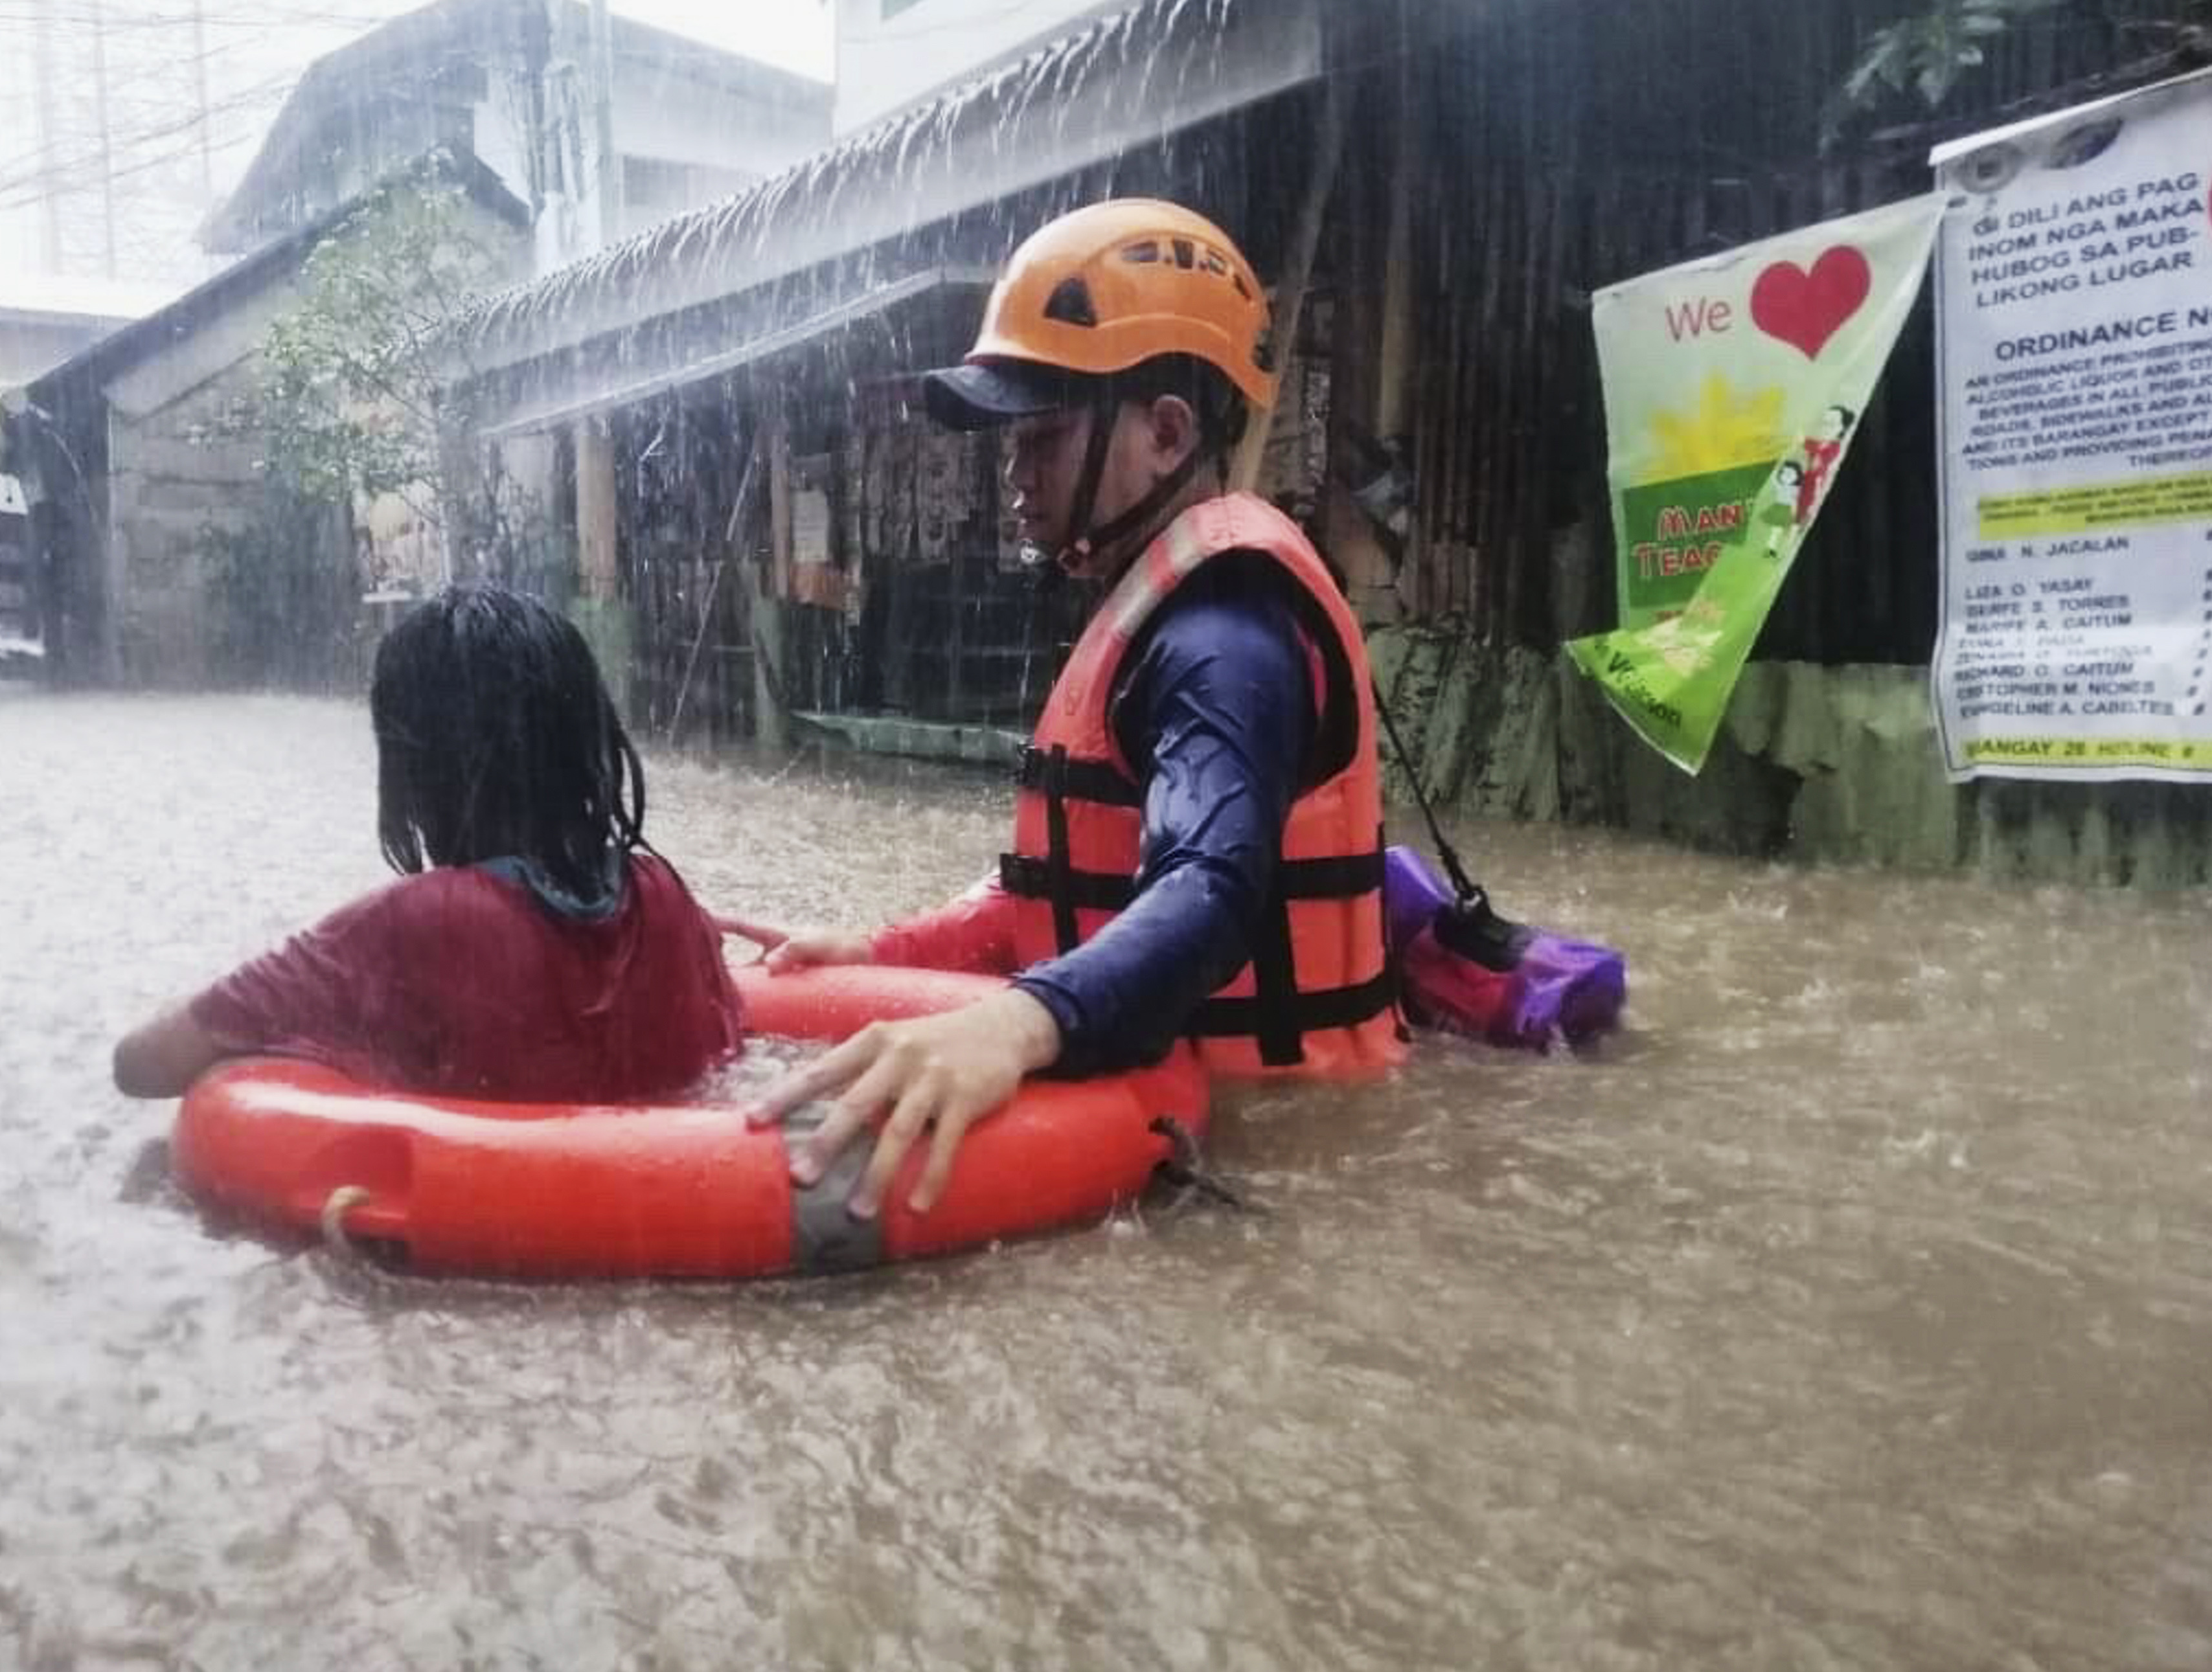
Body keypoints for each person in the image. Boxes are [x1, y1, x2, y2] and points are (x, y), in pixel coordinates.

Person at [717, 199, 1403, 1224]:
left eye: (1041, 439)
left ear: (1166, 434)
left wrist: (1016, 1024)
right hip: (1203, 1111)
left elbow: (1210, 890)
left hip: (1280, 1154)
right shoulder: (1159, 603)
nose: (1014, 477)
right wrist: (882, 951)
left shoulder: (1224, 637)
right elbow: (1062, 892)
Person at [114, 585, 741, 1103]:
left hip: (488, 1238)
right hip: (664, 1210)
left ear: (413, 767)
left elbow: (142, 1064)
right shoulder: (664, 898)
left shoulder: (419, 921)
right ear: (590, 739)